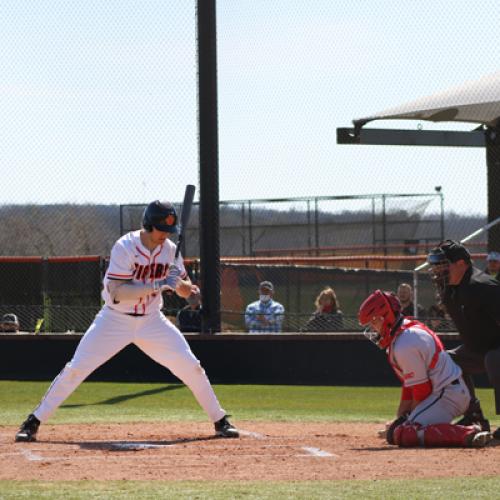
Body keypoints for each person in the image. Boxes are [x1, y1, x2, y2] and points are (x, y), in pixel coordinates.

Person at [15, 200, 238, 442]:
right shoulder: (126, 247)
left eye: (168, 231)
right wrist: (158, 283)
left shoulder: (170, 250)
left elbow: (187, 294)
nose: (165, 235)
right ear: (148, 225)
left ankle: (220, 420)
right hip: (114, 319)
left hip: (152, 321)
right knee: (75, 369)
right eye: (161, 229)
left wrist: (182, 286)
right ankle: (34, 421)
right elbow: (118, 291)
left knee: (192, 367)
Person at [358, 289, 492, 447]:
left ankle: (469, 433)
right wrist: (400, 417)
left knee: (405, 433)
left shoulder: (404, 343)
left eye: (374, 322)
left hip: (447, 394)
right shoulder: (405, 331)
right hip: (448, 391)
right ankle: (469, 427)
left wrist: (405, 422)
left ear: (385, 317)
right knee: (399, 430)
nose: (373, 328)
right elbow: (410, 385)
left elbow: (422, 390)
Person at [427, 239, 500, 440]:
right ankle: (473, 415)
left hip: (496, 350)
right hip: (479, 349)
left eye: (443, 265)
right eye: (436, 266)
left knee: (495, 359)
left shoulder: (483, 286)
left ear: (461, 263)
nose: (438, 271)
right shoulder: (450, 290)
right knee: (446, 360)